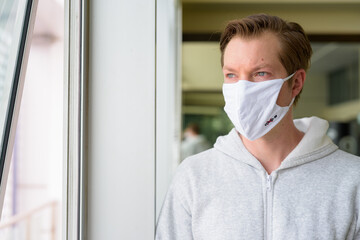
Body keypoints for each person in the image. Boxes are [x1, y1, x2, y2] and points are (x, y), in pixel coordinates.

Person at [156, 14, 360, 239]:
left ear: (296, 83)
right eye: (231, 75)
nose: (242, 89)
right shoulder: (194, 176)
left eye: (260, 73)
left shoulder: (352, 180)